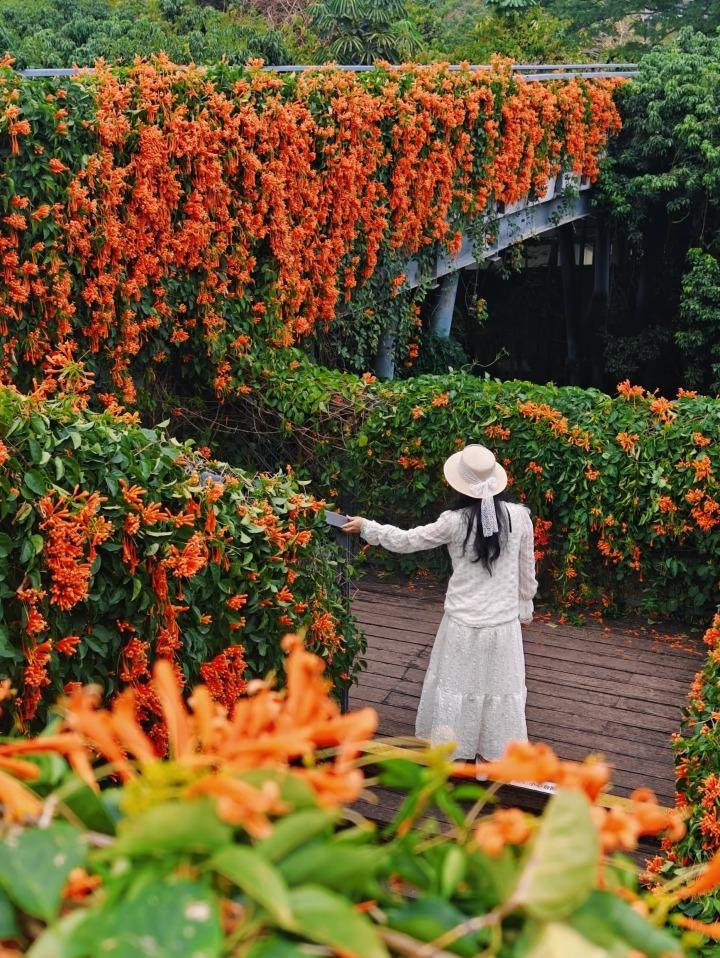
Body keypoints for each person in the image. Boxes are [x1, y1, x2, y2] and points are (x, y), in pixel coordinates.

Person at [342, 443, 537, 763]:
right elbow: (526, 570)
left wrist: (368, 527)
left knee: (458, 686)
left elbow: (407, 541)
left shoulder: (454, 521)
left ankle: (454, 756)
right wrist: (525, 604)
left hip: (462, 622)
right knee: (496, 689)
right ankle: (490, 760)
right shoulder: (520, 517)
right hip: (502, 625)